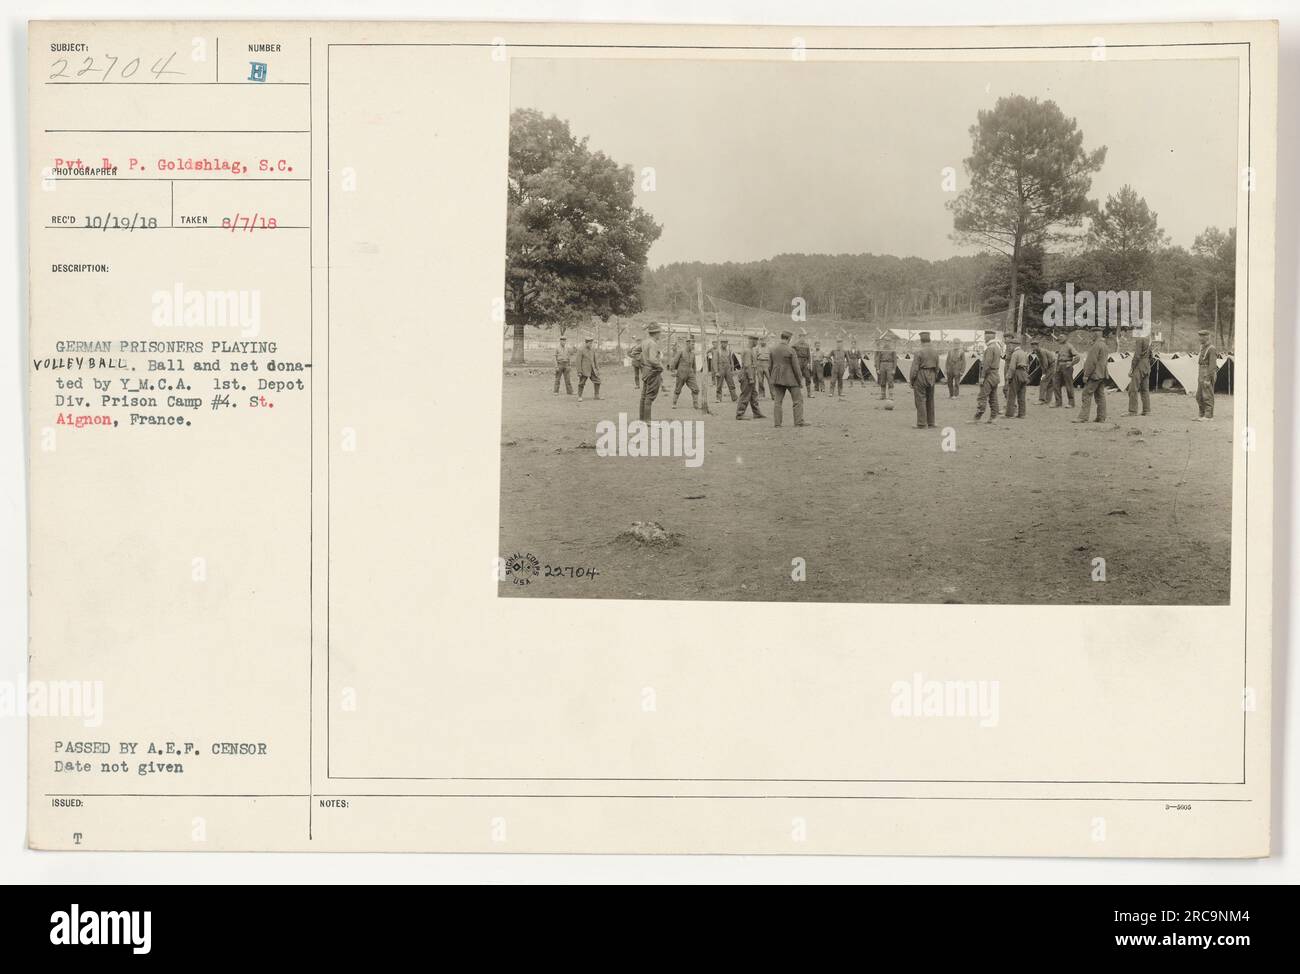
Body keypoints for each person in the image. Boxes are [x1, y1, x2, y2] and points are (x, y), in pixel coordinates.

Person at [769, 330, 808, 428]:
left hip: (777, 379)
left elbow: (770, 367)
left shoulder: (773, 349)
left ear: (781, 337)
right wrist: (800, 381)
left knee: (778, 402)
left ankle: (777, 424)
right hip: (791, 380)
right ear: (789, 339)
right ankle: (798, 422)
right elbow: (796, 368)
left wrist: (773, 378)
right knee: (798, 400)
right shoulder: (791, 350)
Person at [1074, 330, 1110, 423]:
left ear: (1096, 334)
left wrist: (1086, 375)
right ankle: (1101, 417)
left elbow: (1091, 362)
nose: (1091, 336)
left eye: (1092, 334)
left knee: (1086, 394)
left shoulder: (1096, 346)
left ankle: (1083, 417)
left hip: (1095, 374)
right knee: (1100, 395)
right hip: (1102, 374)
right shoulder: (1104, 345)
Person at [909, 331, 941, 428]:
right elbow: (938, 368)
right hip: (932, 375)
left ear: (921, 341)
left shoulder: (918, 352)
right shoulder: (935, 352)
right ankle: (931, 422)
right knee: (930, 399)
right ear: (929, 340)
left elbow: (914, 368)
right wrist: (934, 376)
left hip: (921, 375)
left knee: (920, 399)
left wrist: (912, 380)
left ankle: (922, 423)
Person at [972, 329, 1003, 422]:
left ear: (989, 337)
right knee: (993, 397)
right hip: (995, 375)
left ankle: (977, 417)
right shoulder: (997, 347)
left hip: (989, 375)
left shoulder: (990, 348)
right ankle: (994, 417)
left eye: (985, 336)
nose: (984, 338)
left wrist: (982, 377)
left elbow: (986, 364)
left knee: (982, 396)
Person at [736, 334, 766, 420]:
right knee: (745, 394)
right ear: (752, 341)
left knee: (753, 395)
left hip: (750, 374)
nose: (757, 342)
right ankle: (740, 414)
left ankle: (756, 413)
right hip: (747, 376)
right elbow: (747, 365)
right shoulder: (748, 351)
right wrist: (751, 378)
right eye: (756, 341)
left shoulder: (751, 350)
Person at [639, 323, 663, 422]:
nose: (660, 335)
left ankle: (642, 418)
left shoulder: (644, 342)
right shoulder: (653, 344)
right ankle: (647, 420)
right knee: (650, 395)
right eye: (659, 333)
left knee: (644, 395)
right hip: (653, 371)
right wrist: (660, 366)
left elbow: (634, 352)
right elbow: (653, 359)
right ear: (655, 333)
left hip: (645, 370)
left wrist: (642, 362)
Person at [1126, 332, 1153, 416]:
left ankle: (1132, 411)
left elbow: (1137, 356)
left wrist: (1132, 368)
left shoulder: (1140, 340)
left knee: (1133, 389)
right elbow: (1151, 355)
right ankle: (1146, 410)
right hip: (1147, 365)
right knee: (1145, 389)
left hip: (1140, 365)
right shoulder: (1148, 340)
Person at [1195, 329, 1219, 421]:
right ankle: (1201, 414)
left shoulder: (1211, 348)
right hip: (1201, 371)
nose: (1199, 338)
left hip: (1207, 372)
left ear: (1206, 337)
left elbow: (1212, 365)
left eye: (1201, 336)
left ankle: (1208, 416)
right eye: (1200, 336)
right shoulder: (1203, 347)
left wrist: (1208, 378)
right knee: (1199, 395)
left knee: (1207, 395)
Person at [671, 336, 700, 409]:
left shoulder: (693, 354)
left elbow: (694, 366)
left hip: (690, 374)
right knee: (678, 389)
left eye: (694, 344)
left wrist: (694, 374)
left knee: (695, 388)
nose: (693, 346)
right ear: (687, 344)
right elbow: (674, 362)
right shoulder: (681, 352)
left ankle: (695, 404)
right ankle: (674, 403)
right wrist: (673, 370)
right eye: (692, 344)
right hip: (681, 373)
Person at [1005, 334, 1030, 419]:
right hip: (1024, 374)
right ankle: (1022, 414)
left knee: (1011, 394)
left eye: (1011, 345)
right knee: (1022, 395)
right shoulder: (1024, 353)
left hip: (1017, 373)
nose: (1010, 347)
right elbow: (1028, 366)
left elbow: (1012, 367)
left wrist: (1009, 377)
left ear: (1014, 345)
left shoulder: (1015, 354)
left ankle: (1009, 414)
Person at [575, 334, 601, 402]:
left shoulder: (592, 349)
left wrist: (597, 368)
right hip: (584, 370)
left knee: (597, 381)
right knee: (581, 383)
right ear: (586, 342)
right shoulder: (581, 349)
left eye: (591, 343)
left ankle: (596, 395)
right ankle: (579, 396)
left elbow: (595, 359)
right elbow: (578, 362)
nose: (591, 344)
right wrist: (579, 371)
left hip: (592, 369)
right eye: (590, 343)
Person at [1053, 337, 1078, 408]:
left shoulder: (1069, 346)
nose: (1059, 341)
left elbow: (1077, 356)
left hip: (1066, 367)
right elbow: (1057, 358)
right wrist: (1056, 368)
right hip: (1059, 366)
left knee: (1068, 384)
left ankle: (1071, 403)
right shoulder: (1060, 347)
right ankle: (1058, 402)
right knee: (1056, 384)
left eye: (1060, 339)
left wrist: (1071, 363)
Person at [1032, 340, 1056, 405]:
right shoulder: (1038, 352)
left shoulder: (1042, 352)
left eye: (1034, 346)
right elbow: (1041, 363)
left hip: (1051, 366)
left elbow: (1045, 363)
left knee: (1043, 382)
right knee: (1050, 383)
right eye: (1032, 346)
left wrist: (1044, 373)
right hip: (1051, 366)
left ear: (1037, 346)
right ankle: (1048, 400)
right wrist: (1043, 372)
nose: (1033, 348)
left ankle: (1041, 399)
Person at [794, 330, 814, 398]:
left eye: (804, 337)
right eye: (801, 337)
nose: (802, 338)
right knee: (798, 378)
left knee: (808, 377)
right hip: (798, 362)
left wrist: (808, 363)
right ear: (799, 337)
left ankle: (809, 393)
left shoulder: (807, 345)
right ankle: (797, 394)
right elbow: (792, 354)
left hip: (805, 362)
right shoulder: (795, 345)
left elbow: (809, 356)